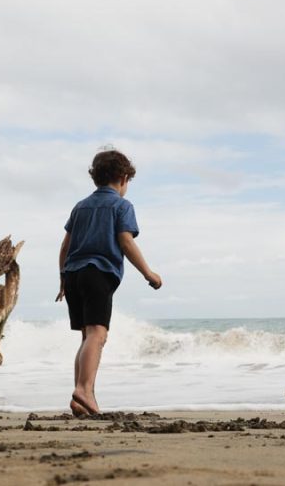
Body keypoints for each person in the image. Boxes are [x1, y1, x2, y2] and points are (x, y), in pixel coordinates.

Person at [55, 149, 162, 417]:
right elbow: (126, 241)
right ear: (124, 177)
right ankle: (83, 389)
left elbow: (65, 246)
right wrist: (149, 273)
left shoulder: (80, 206)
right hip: (97, 272)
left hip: (73, 275)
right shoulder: (121, 206)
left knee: (86, 337)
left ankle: (81, 401)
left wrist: (62, 279)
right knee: (98, 335)